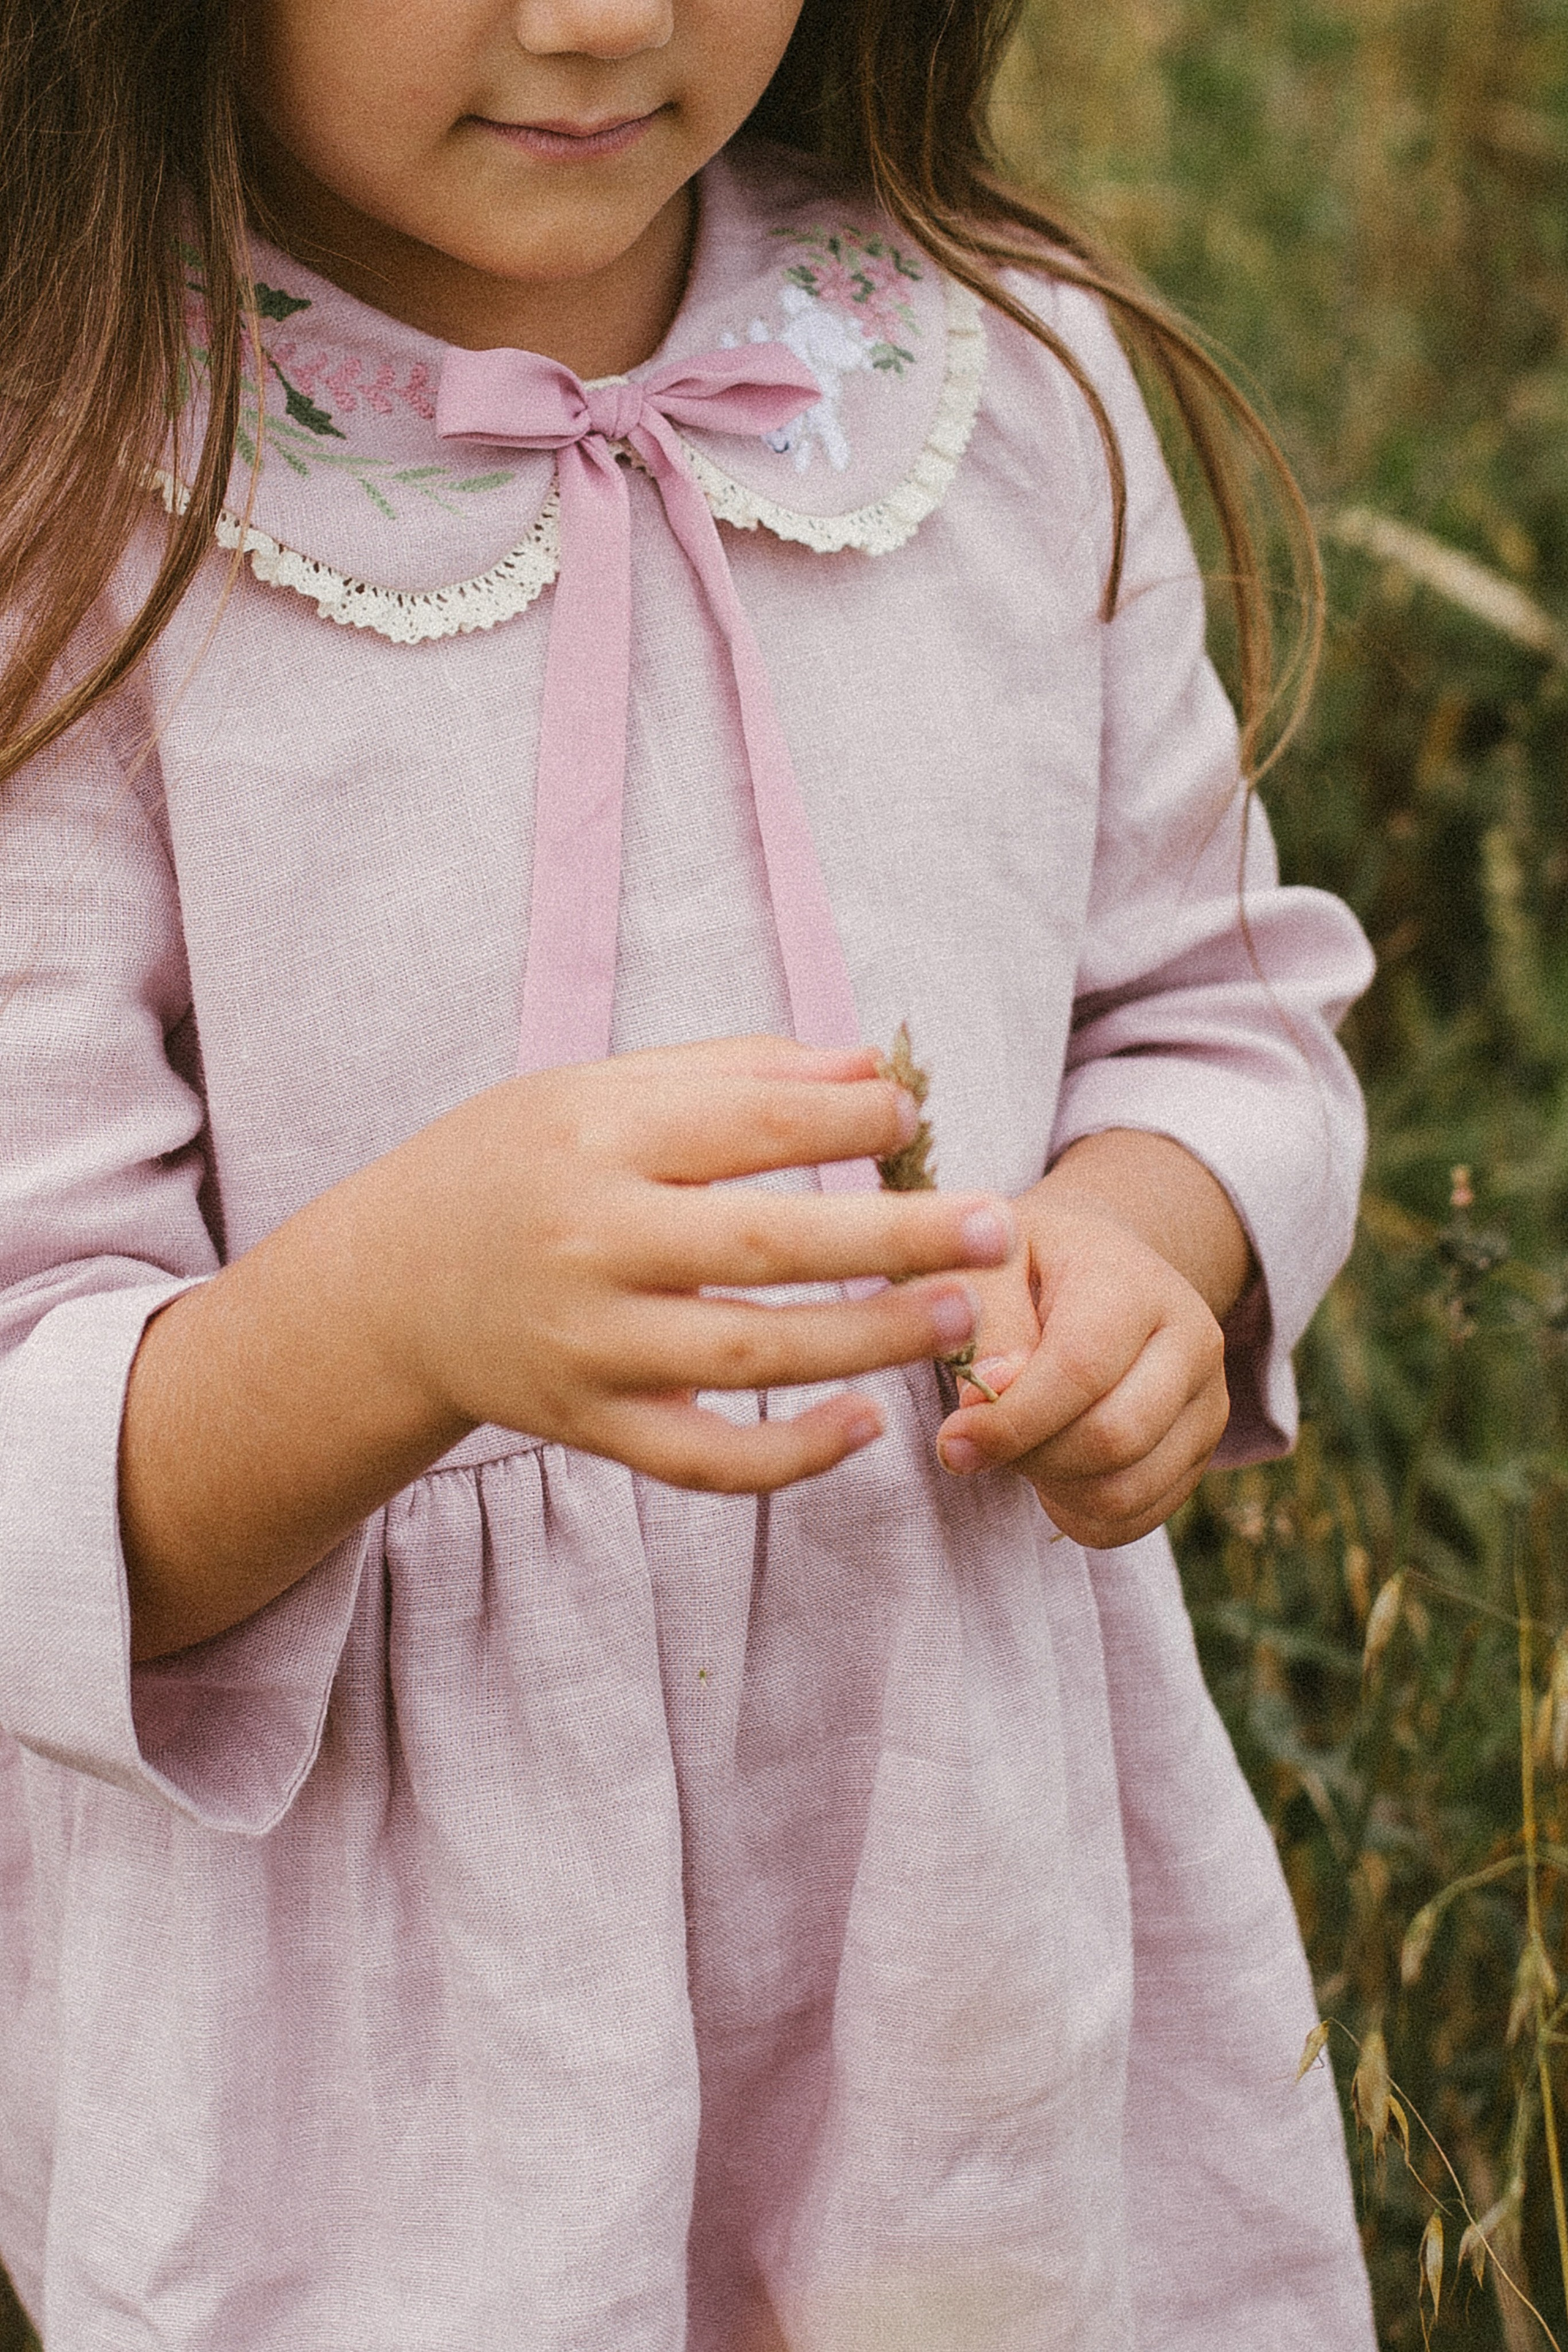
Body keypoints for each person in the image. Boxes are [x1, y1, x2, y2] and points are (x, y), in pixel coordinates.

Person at [0, 1, 1379, 2344]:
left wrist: (1146, 1243)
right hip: (400, 2017)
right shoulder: (72, 494)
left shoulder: (998, 382)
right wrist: (401, 1321)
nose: (599, 15)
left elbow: (1216, 1004)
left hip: (958, 1888)